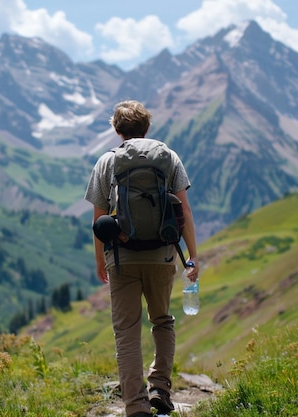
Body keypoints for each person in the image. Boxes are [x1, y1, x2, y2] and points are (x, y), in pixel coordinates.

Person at [84, 100, 199, 417]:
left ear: (117, 130)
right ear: (147, 127)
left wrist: (100, 260)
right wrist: (192, 256)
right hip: (162, 256)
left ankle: (135, 407)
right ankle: (160, 389)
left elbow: (99, 218)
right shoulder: (168, 157)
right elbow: (184, 210)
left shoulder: (108, 162)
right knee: (162, 321)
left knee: (127, 331)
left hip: (122, 258)